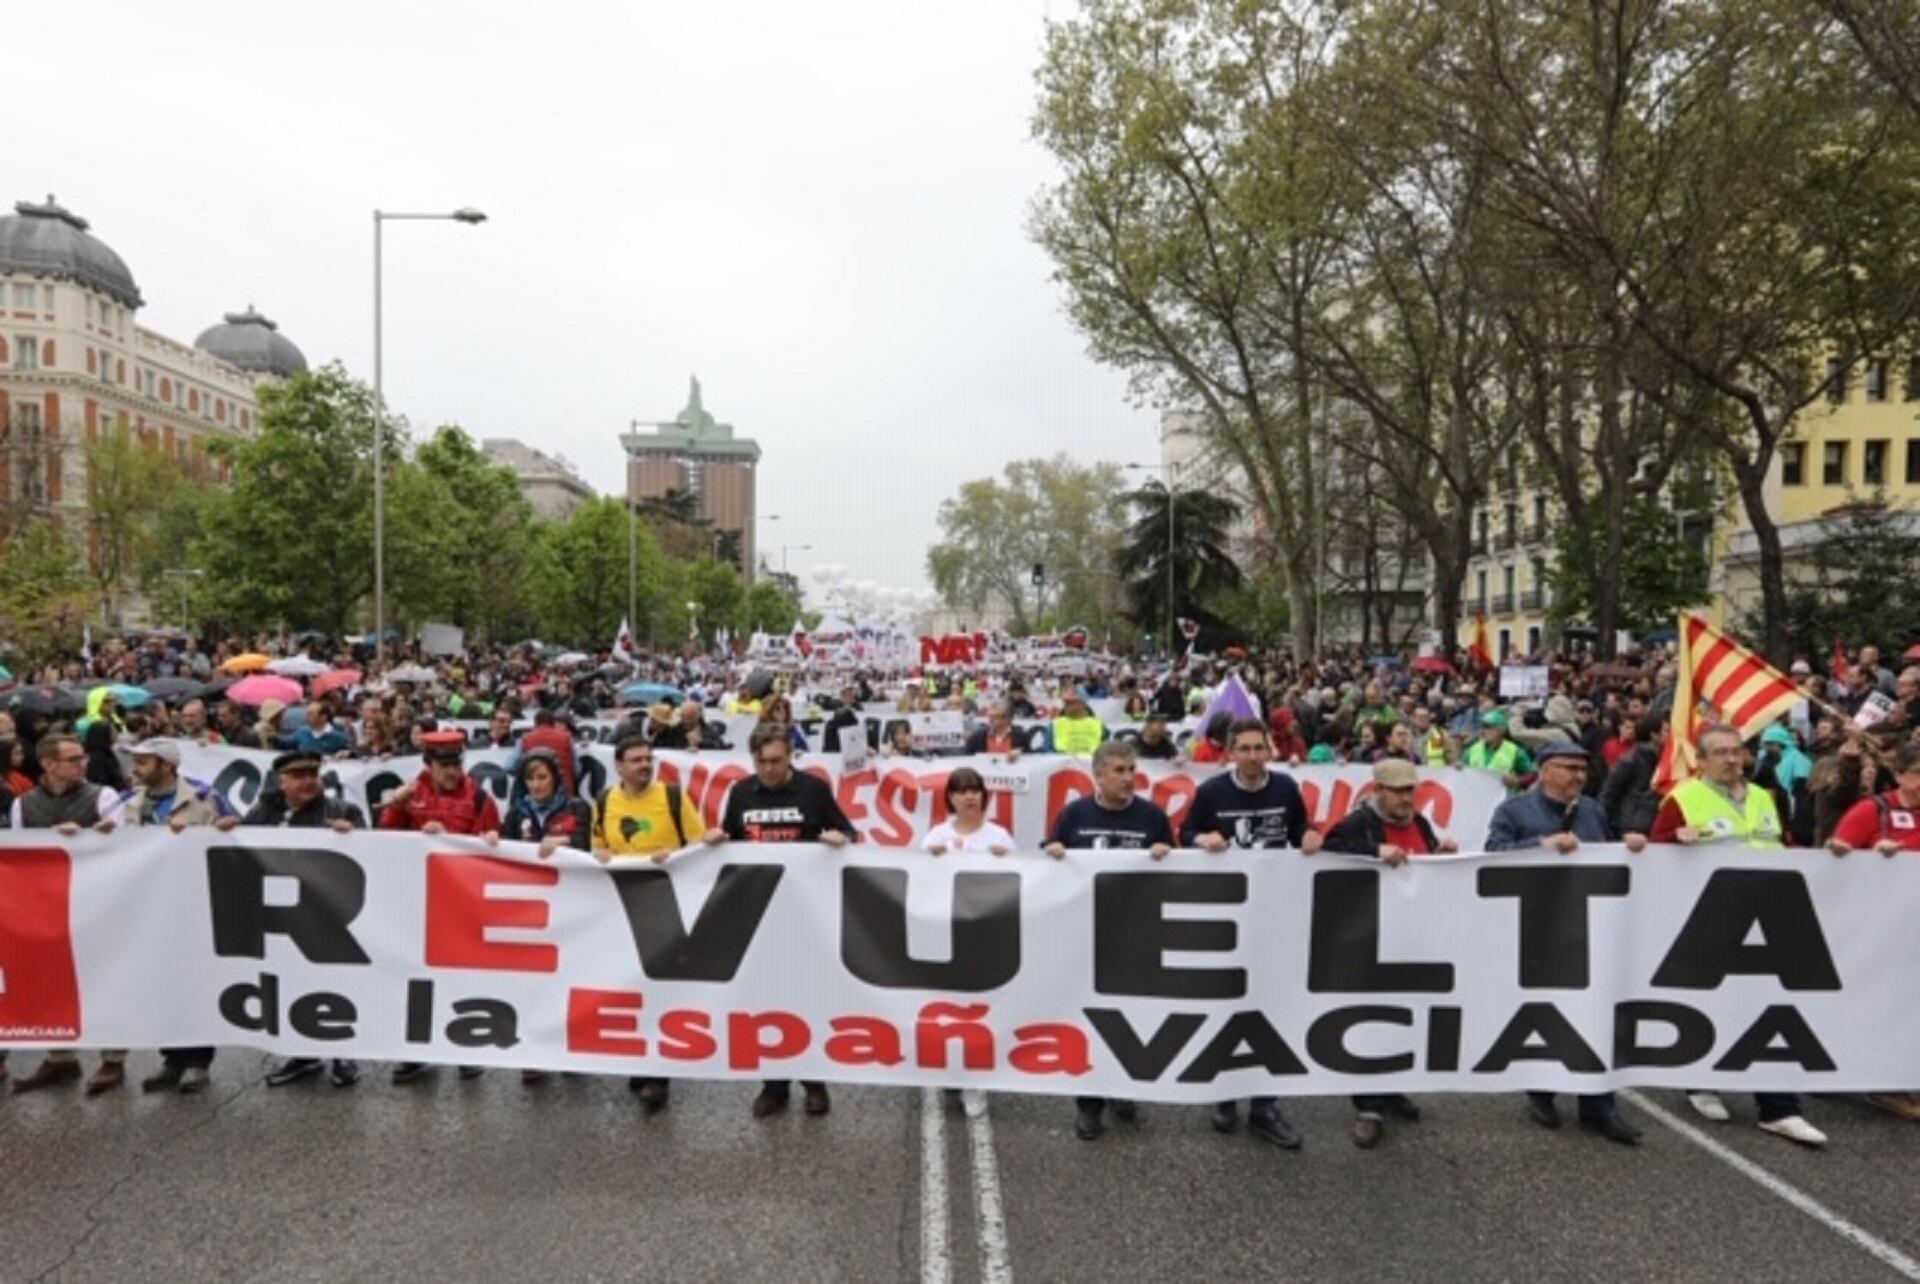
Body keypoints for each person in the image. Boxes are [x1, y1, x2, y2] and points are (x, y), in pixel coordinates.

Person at [1651, 723, 1825, 1147]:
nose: (1733, 759)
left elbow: (1780, 845)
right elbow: (1652, 858)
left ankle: (1779, 1107)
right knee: (1711, 1005)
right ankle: (1699, 1081)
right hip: (1709, 920)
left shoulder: (1765, 796)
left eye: (1737, 752)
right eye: (1722, 753)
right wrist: (1674, 840)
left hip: (1770, 919)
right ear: (1702, 761)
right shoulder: (1681, 799)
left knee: (1771, 1009)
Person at [1482, 743, 1646, 1144]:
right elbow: (1492, 855)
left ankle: (1599, 1106)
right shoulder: (1514, 811)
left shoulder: (1589, 810)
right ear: (1544, 770)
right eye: (1569, 768)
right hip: (1538, 926)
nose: (1578, 776)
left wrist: (1631, 846)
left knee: (1596, 1011)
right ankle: (1542, 1089)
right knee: (1546, 1010)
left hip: (1589, 926)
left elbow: (1606, 852)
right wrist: (1542, 846)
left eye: (1583, 769)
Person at [704, 723, 856, 1119]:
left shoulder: (813, 790)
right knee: (765, 1002)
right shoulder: (740, 792)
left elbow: (847, 830)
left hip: (805, 915)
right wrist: (718, 840)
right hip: (758, 915)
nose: (769, 769)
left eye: (776, 760)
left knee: (804, 1001)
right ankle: (773, 1087)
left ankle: (814, 1083)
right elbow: (732, 838)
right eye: (761, 762)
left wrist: (840, 838)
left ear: (791, 756)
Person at [1312, 759, 1461, 1146]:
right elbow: (1331, 851)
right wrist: (1375, 849)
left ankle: (1393, 1089)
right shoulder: (1357, 824)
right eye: (1398, 791)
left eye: (1411, 790)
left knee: (1406, 1017)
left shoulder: (1420, 823)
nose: (1406, 798)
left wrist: (1440, 855)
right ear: (1378, 790)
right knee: (1370, 1020)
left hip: (1412, 940)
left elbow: (1420, 867)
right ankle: (1368, 1106)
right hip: (1371, 941)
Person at [1179, 719, 1308, 1151]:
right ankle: (1224, 1092)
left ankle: (1265, 1106)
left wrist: (1308, 838)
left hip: (1274, 915)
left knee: (1270, 1007)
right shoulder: (1213, 792)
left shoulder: (1286, 789)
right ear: (1231, 753)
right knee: (1226, 1004)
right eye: (1245, 749)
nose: (1253, 756)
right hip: (1227, 914)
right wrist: (1203, 838)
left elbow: (1297, 833)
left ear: (1269, 750)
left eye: (1259, 748)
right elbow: (1185, 832)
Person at [1045, 739, 1174, 1141]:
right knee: (1090, 1019)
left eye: (1131, 770)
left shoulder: (1152, 816)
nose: (1128, 778)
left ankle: (1124, 1090)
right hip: (1087, 937)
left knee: (1130, 1018)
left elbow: (1179, 864)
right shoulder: (1075, 815)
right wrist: (1051, 850)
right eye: (1118, 771)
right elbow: (1050, 858)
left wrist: (1166, 851)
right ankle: (1089, 1104)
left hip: (1137, 936)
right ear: (1098, 775)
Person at [217, 750, 364, 1088]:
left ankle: (343, 1052)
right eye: (299, 776)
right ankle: (304, 1053)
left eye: (313, 774)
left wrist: (354, 835)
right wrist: (223, 831)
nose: (309, 781)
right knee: (293, 984)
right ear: (281, 781)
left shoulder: (340, 810)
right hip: (281, 920)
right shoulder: (265, 811)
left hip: (329, 915)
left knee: (334, 984)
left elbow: (372, 855)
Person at [380, 730, 502, 1084]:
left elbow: (493, 850)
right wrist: (397, 808)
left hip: (462, 904)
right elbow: (387, 838)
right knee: (416, 978)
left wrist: (449, 833)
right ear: (428, 766)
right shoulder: (410, 795)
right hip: (417, 902)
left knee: (463, 979)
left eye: (457, 764)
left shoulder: (479, 798)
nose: (452, 772)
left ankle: (465, 1049)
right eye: (444, 765)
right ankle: (417, 1051)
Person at [8, 734, 126, 1095]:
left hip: (99, 904)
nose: (82, 764)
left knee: (106, 978)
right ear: (49, 764)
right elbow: (19, 858)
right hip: (49, 906)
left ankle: (113, 1058)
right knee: (51, 980)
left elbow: (124, 850)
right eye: (74, 759)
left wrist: (88, 837)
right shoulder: (23, 805)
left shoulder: (103, 797)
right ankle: (61, 1057)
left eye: (82, 758)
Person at [115, 740, 224, 1093]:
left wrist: (202, 833)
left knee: (194, 983)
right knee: (161, 985)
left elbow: (232, 841)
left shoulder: (204, 800)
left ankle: (198, 1060)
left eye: (144, 761)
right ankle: (172, 1058)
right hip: (148, 908)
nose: (136, 768)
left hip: (193, 907)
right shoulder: (128, 801)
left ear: (167, 766)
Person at [923, 768, 1014, 855]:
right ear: (951, 797)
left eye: (975, 792)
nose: (970, 797)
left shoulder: (1000, 837)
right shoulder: (936, 836)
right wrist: (932, 859)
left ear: (983, 796)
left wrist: (1003, 860)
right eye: (962, 792)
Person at [1464, 709, 1533, 793]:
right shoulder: (1471, 750)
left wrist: (1517, 780)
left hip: (1504, 802)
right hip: (1478, 800)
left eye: (1488, 727)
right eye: (1483, 727)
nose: (1483, 731)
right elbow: (1462, 774)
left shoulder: (1515, 751)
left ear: (1502, 730)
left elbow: (1532, 775)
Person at [1050, 688, 1105, 758]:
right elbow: (1047, 752)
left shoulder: (1099, 725)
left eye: (1072, 703)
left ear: (1083, 704)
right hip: (1064, 766)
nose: (1067, 706)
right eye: (1066, 703)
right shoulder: (1055, 724)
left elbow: (1105, 750)